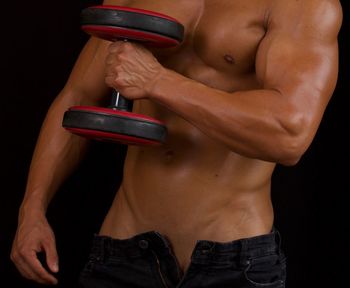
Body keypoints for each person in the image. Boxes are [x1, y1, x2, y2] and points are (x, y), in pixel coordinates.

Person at [11, 0, 342, 287]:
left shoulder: (299, 6)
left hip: (235, 262)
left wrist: (158, 81)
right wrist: (32, 209)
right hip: (122, 253)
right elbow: (77, 97)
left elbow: (288, 134)